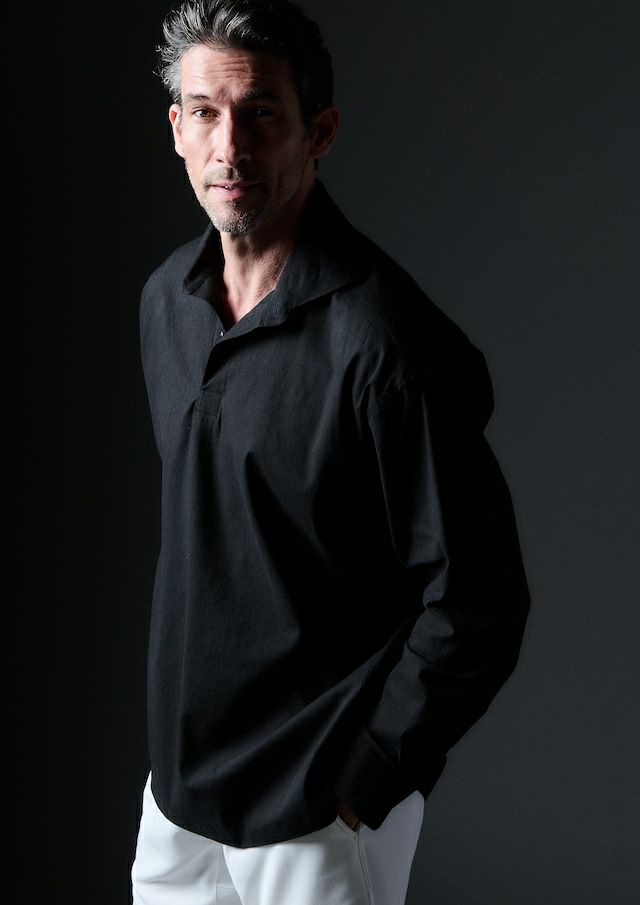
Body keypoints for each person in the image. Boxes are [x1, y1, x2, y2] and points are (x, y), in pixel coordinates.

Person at [130, 1, 530, 903]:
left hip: (313, 807)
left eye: (261, 113)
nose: (229, 147)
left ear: (320, 131)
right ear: (177, 128)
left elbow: (480, 595)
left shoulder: (386, 340)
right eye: (205, 113)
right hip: (178, 798)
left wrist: (364, 780)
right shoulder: (166, 303)